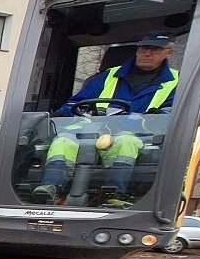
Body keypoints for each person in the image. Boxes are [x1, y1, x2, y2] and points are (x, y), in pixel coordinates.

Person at [33, 32, 180, 205]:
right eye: (143, 48)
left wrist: (144, 120)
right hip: (92, 135)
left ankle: (114, 194)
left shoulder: (176, 82)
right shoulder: (108, 76)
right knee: (63, 141)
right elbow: (75, 104)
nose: (147, 53)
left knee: (126, 141)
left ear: (168, 52)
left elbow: (170, 117)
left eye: (155, 49)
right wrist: (65, 114)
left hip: (140, 139)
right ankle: (50, 187)